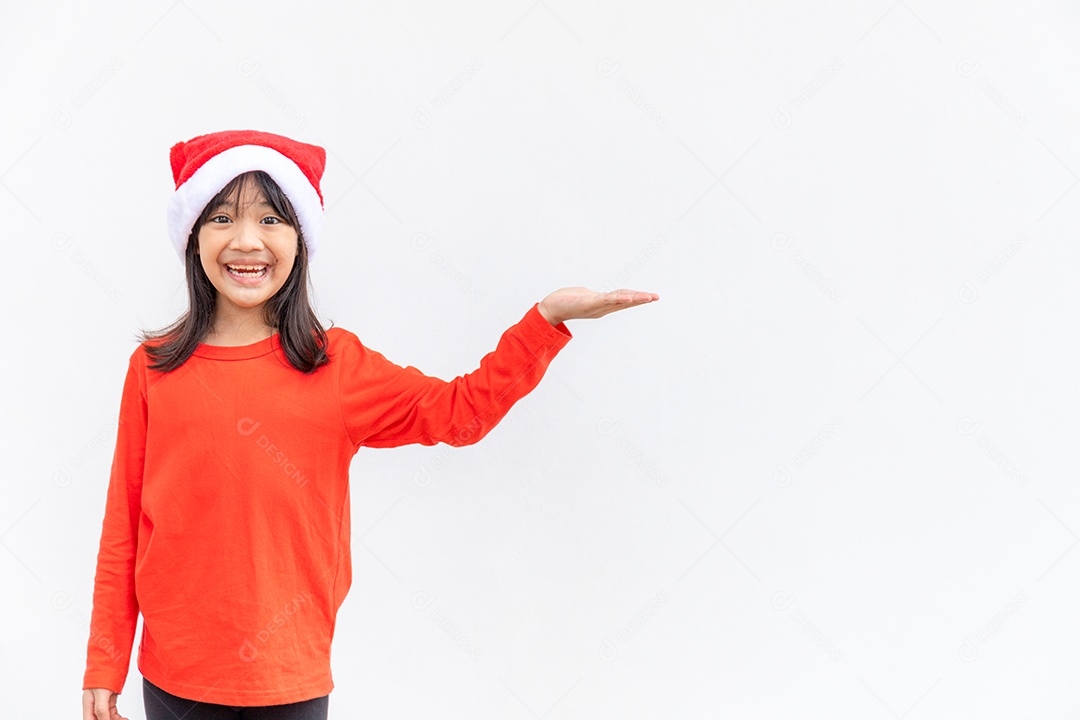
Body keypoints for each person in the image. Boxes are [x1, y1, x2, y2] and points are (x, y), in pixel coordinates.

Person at [81, 129, 659, 720]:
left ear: (300, 240)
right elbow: (123, 524)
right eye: (222, 217)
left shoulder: (335, 365)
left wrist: (544, 320)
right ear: (193, 236)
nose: (246, 241)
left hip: (292, 673)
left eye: (272, 219)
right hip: (176, 675)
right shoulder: (153, 367)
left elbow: (460, 414)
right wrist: (105, 663)